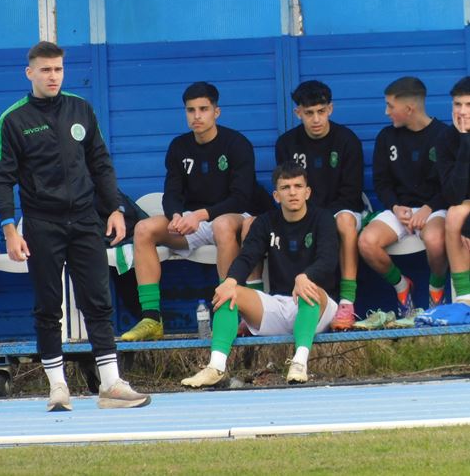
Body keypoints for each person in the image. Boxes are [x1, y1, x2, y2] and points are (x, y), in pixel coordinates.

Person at [0, 40, 150, 411]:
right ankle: (58, 388)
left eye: (58, 69)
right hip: (41, 224)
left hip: (84, 220)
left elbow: (101, 163)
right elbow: (2, 179)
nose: (53, 76)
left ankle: (110, 385)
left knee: (98, 300)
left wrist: (114, 209)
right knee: (48, 306)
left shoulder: (81, 108)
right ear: (29, 72)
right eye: (46, 70)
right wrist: (10, 229)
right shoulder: (12, 119)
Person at [123, 81, 269, 341]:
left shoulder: (237, 144)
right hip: (194, 222)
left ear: (216, 112)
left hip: (235, 217)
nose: (197, 116)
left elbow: (240, 198)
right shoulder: (179, 147)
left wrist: (200, 215)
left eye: (203, 109)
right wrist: (175, 216)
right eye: (191, 110)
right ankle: (152, 318)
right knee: (144, 229)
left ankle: (228, 312)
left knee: (222, 225)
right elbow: (172, 193)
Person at [181, 162, 338, 387]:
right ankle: (215, 367)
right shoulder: (266, 221)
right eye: (285, 188)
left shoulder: (323, 219)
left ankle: (299, 363)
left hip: (317, 308)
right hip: (279, 304)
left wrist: (305, 276)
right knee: (229, 293)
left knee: (307, 289)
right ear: (276, 195)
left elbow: (328, 260)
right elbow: (247, 257)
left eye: (298, 186)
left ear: (307, 192)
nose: (292, 192)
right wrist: (230, 281)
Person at [358, 77, 450, 322]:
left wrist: (429, 208)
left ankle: (436, 291)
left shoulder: (445, 136)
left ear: (409, 109)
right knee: (366, 242)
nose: (386, 112)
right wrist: (395, 207)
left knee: (436, 240)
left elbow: (451, 186)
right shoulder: (386, 137)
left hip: (434, 208)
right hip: (400, 210)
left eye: (390, 106)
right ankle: (402, 286)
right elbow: (381, 182)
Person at [275, 81, 364, 331]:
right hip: (303, 211)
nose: (316, 119)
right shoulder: (286, 143)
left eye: (321, 111)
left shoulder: (347, 140)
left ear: (330, 109)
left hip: (341, 209)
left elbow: (351, 193)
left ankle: (347, 303)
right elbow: (288, 186)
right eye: (309, 113)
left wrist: (321, 217)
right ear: (298, 113)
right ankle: (275, 303)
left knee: (344, 222)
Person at [437, 77, 470, 305]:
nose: (462, 111)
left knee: (459, 215)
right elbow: (453, 195)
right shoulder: (447, 138)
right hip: (464, 205)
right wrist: (465, 141)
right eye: (458, 104)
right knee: (454, 213)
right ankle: (465, 298)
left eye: (469, 105)